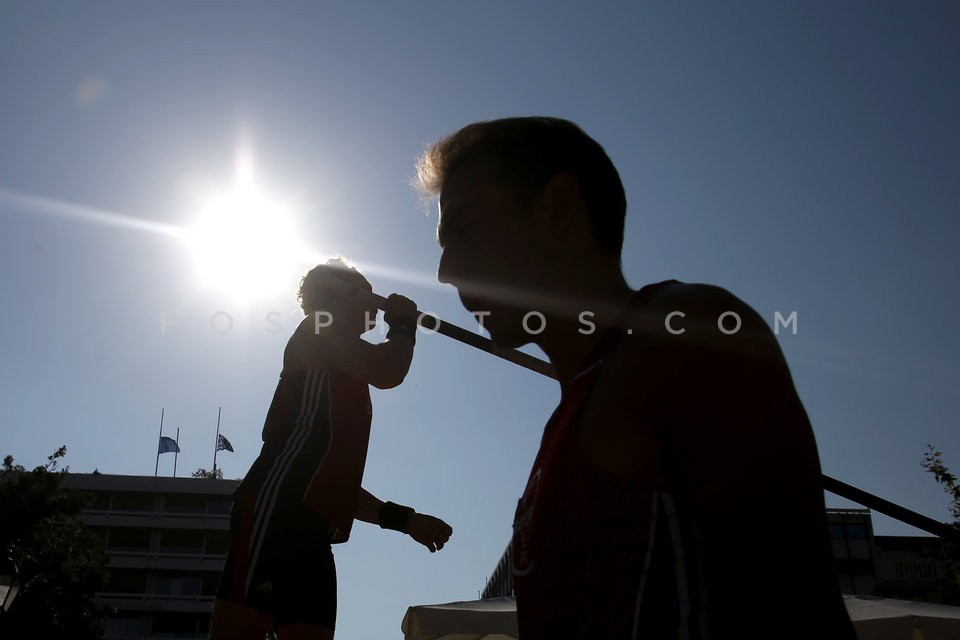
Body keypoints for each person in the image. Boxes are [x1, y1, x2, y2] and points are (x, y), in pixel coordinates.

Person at [416, 117, 855, 639]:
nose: (444, 271)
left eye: (464, 231)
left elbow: (801, 612)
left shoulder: (686, 335)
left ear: (557, 208)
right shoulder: (572, 412)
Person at [210, 258, 453, 640]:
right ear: (341, 295)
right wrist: (403, 325)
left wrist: (406, 521)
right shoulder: (317, 327)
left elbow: (333, 485)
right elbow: (390, 369)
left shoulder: (349, 379)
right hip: (275, 509)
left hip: (313, 525)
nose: (376, 304)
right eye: (367, 293)